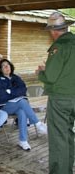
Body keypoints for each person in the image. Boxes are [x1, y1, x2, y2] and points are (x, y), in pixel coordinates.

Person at [36, 12, 75, 174]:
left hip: (61, 99)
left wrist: (41, 72)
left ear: (54, 31)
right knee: (68, 136)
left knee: (59, 139)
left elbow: (51, 77)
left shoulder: (59, 47)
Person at [0, 59, 47, 151]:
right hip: (5, 106)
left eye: (8, 65)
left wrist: (10, 91)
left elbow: (23, 90)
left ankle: (23, 140)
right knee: (22, 102)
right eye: (4, 66)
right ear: (1, 69)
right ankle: (38, 123)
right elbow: (2, 97)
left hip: (17, 105)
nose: (7, 67)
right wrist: (14, 93)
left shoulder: (16, 78)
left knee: (22, 111)